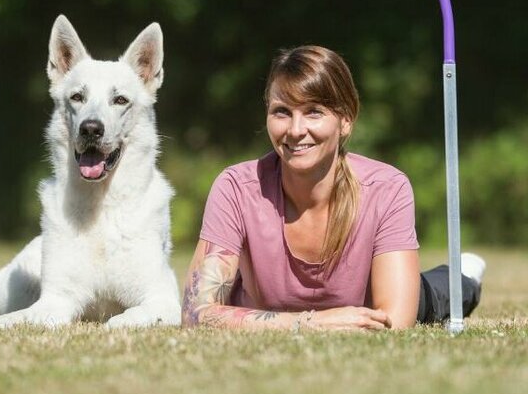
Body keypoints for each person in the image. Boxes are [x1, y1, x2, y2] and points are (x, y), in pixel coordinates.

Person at [182, 45, 484, 330]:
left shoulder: (387, 188)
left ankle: (465, 275)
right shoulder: (236, 188)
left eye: (314, 111)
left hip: (386, 296)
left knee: (443, 292)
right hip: (290, 315)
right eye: (282, 112)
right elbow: (196, 314)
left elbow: (395, 320)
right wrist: (314, 323)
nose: (296, 130)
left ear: (345, 121)